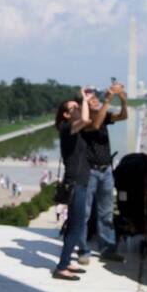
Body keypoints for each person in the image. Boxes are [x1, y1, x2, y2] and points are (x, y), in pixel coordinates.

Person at [76, 82, 128, 265]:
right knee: (85, 214)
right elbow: (96, 125)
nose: (96, 102)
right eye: (91, 101)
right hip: (90, 172)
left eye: (96, 99)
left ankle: (108, 249)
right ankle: (83, 250)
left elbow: (123, 116)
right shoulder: (83, 123)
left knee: (106, 214)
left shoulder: (103, 116)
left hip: (106, 171)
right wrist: (107, 99)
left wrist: (121, 97)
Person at [52, 89, 95, 280]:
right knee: (76, 227)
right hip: (76, 183)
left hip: (79, 181)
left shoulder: (73, 129)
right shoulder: (66, 128)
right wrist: (84, 100)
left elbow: (90, 121)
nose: (78, 108)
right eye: (74, 107)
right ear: (66, 114)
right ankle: (62, 267)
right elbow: (86, 120)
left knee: (73, 226)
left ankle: (67, 261)